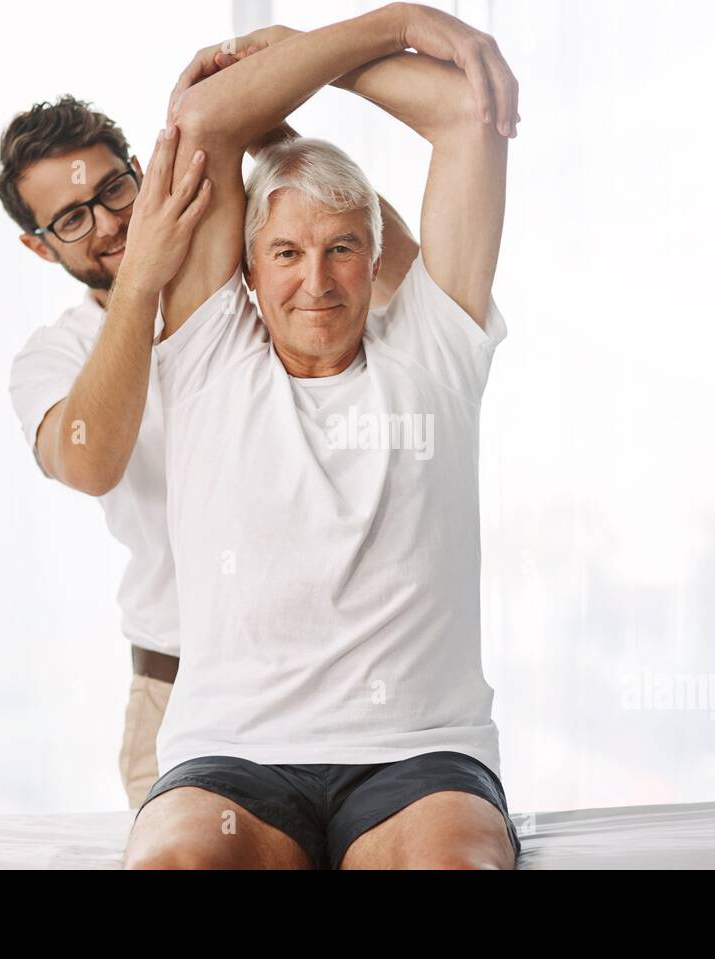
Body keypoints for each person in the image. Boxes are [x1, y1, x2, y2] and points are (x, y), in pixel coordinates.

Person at [123, 2, 520, 869]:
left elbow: (465, 115)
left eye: (343, 247)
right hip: (231, 758)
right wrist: (392, 27)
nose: (317, 279)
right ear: (249, 268)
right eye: (289, 252)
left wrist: (313, 58)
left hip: (419, 756)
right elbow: (206, 114)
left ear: (376, 258)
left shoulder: (433, 349)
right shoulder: (210, 355)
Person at [0, 96, 419, 808]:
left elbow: (412, 288)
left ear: (140, 173)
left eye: (113, 191)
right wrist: (141, 283)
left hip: (330, 684)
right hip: (177, 690)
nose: (108, 223)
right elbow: (94, 461)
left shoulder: (248, 296)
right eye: (72, 218)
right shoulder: (51, 358)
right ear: (41, 245)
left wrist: (282, 144)